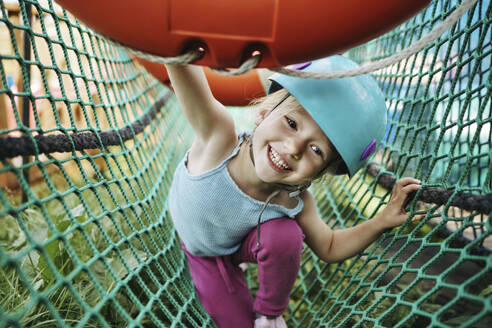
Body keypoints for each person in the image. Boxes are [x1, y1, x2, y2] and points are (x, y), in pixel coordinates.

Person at [167, 55, 422, 328]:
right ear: (264, 113)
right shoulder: (219, 138)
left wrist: (381, 221)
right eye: (291, 123)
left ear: (320, 172)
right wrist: (168, 43)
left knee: (285, 236)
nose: (292, 149)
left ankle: (270, 315)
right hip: (198, 251)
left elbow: (330, 246)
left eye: (315, 150)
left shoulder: (293, 199)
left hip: (229, 251)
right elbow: (182, 71)